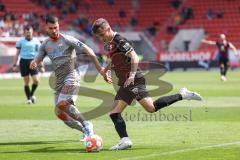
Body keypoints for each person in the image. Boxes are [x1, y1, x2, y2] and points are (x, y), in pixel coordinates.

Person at [91, 18, 203, 150]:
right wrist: (105, 70)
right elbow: (113, 58)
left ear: (108, 28)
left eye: (102, 35)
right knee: (144, 109)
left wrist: (132, 75)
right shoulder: (109, 43)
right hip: (128, 81)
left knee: (122, 112)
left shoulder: (119, 40)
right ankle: (182, 95)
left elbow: (134, 56)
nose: (101, 38)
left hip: (132, 80)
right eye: (99, 37)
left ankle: (125, 140)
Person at [30, 15, 107, 139]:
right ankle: (85, 131)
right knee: (59, 112)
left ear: (59, 26)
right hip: (59, 81)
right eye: (51, 28)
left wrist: (101, 70)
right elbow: (38, 57)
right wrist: (35, 62)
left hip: (72, 76)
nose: (54, 30)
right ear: (46, 28)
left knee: (62, 103)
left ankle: (87, 124)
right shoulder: (45, 44)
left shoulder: (67, 39)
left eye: (56, 27)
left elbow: (89, 51)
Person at [12, 25, 44, 104]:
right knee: (26, 82)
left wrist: (42, 65)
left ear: (32, 32)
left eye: (29, 32)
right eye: (26, 32)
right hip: (23, 62)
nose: (28, 34)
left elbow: (39, 54)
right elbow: (17, 54)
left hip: (33, 61)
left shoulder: (36, 41)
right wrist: (14, 64)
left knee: (36, 81)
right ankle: (29, 99)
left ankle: (31, 95)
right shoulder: (20, 41)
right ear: (24, 33)